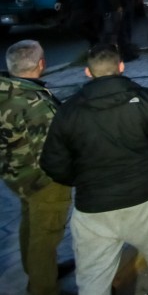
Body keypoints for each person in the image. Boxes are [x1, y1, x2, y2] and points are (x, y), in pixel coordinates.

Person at [40, 45, 148, 295]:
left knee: (94, 268)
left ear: (88, 72)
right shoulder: (147, 98)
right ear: (121, 67)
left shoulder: (68, 110)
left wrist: (83, 180)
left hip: (94, 205)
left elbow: (53, 162)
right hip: (145, 194)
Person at [1, 41, 72, 295]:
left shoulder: (6, 89)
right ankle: (43, 287)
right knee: (46, 234)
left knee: (31, 223)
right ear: (41, 64)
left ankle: (40, 270)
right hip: (43, 180)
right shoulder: (37, 105)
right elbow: (54, 150)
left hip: (14, 173)